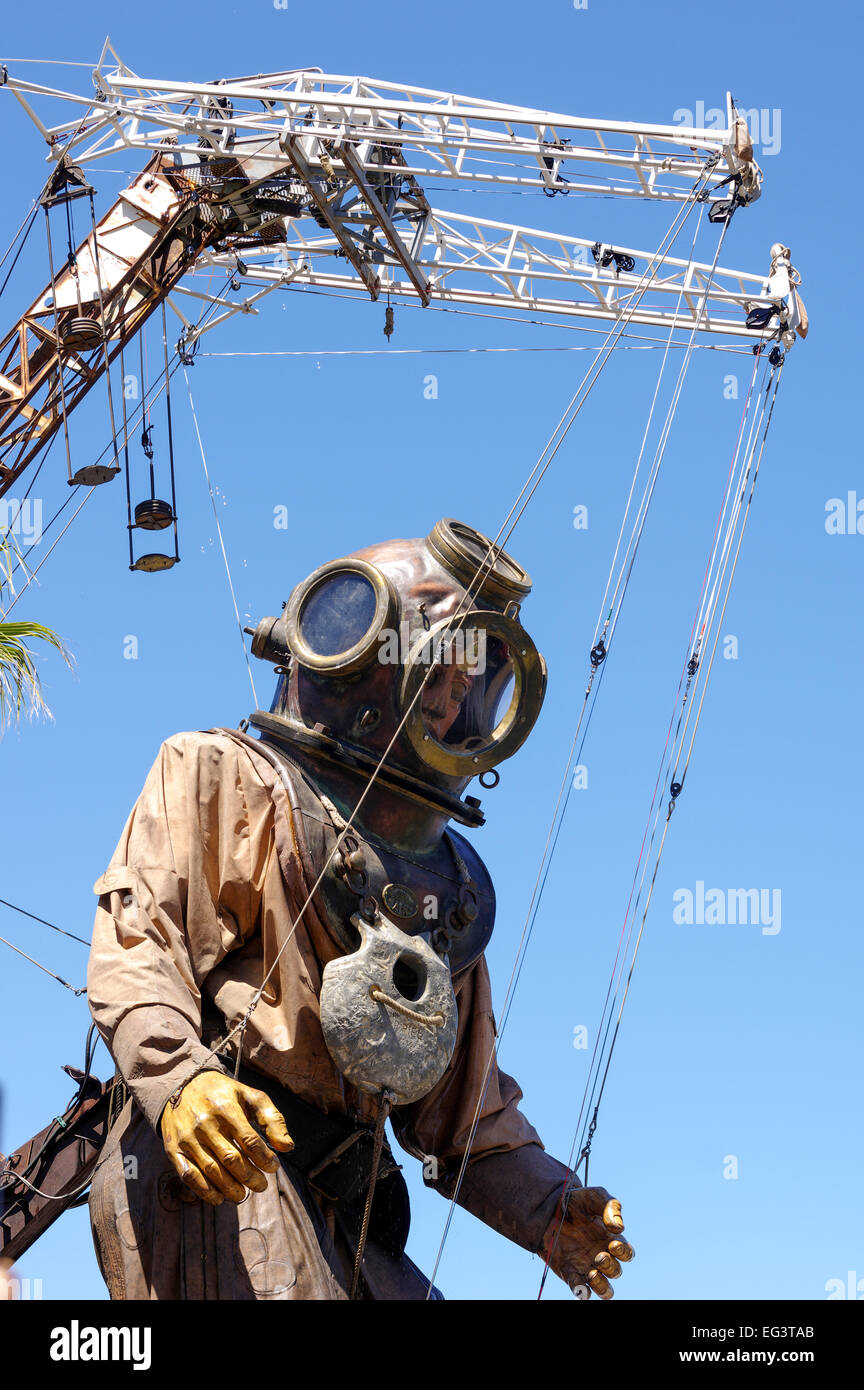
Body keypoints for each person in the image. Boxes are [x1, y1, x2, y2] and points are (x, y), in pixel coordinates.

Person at [86, 519, 634, 1300]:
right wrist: (181, 1083)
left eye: (467, 685)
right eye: (436, 672)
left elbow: (461, 1119)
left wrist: (550, 1208)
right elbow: (140, 949)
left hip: (350, 1209)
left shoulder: (449, 888)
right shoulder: (225, 775)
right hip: (221, 1172)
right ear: (361, 655)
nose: (447, 701)